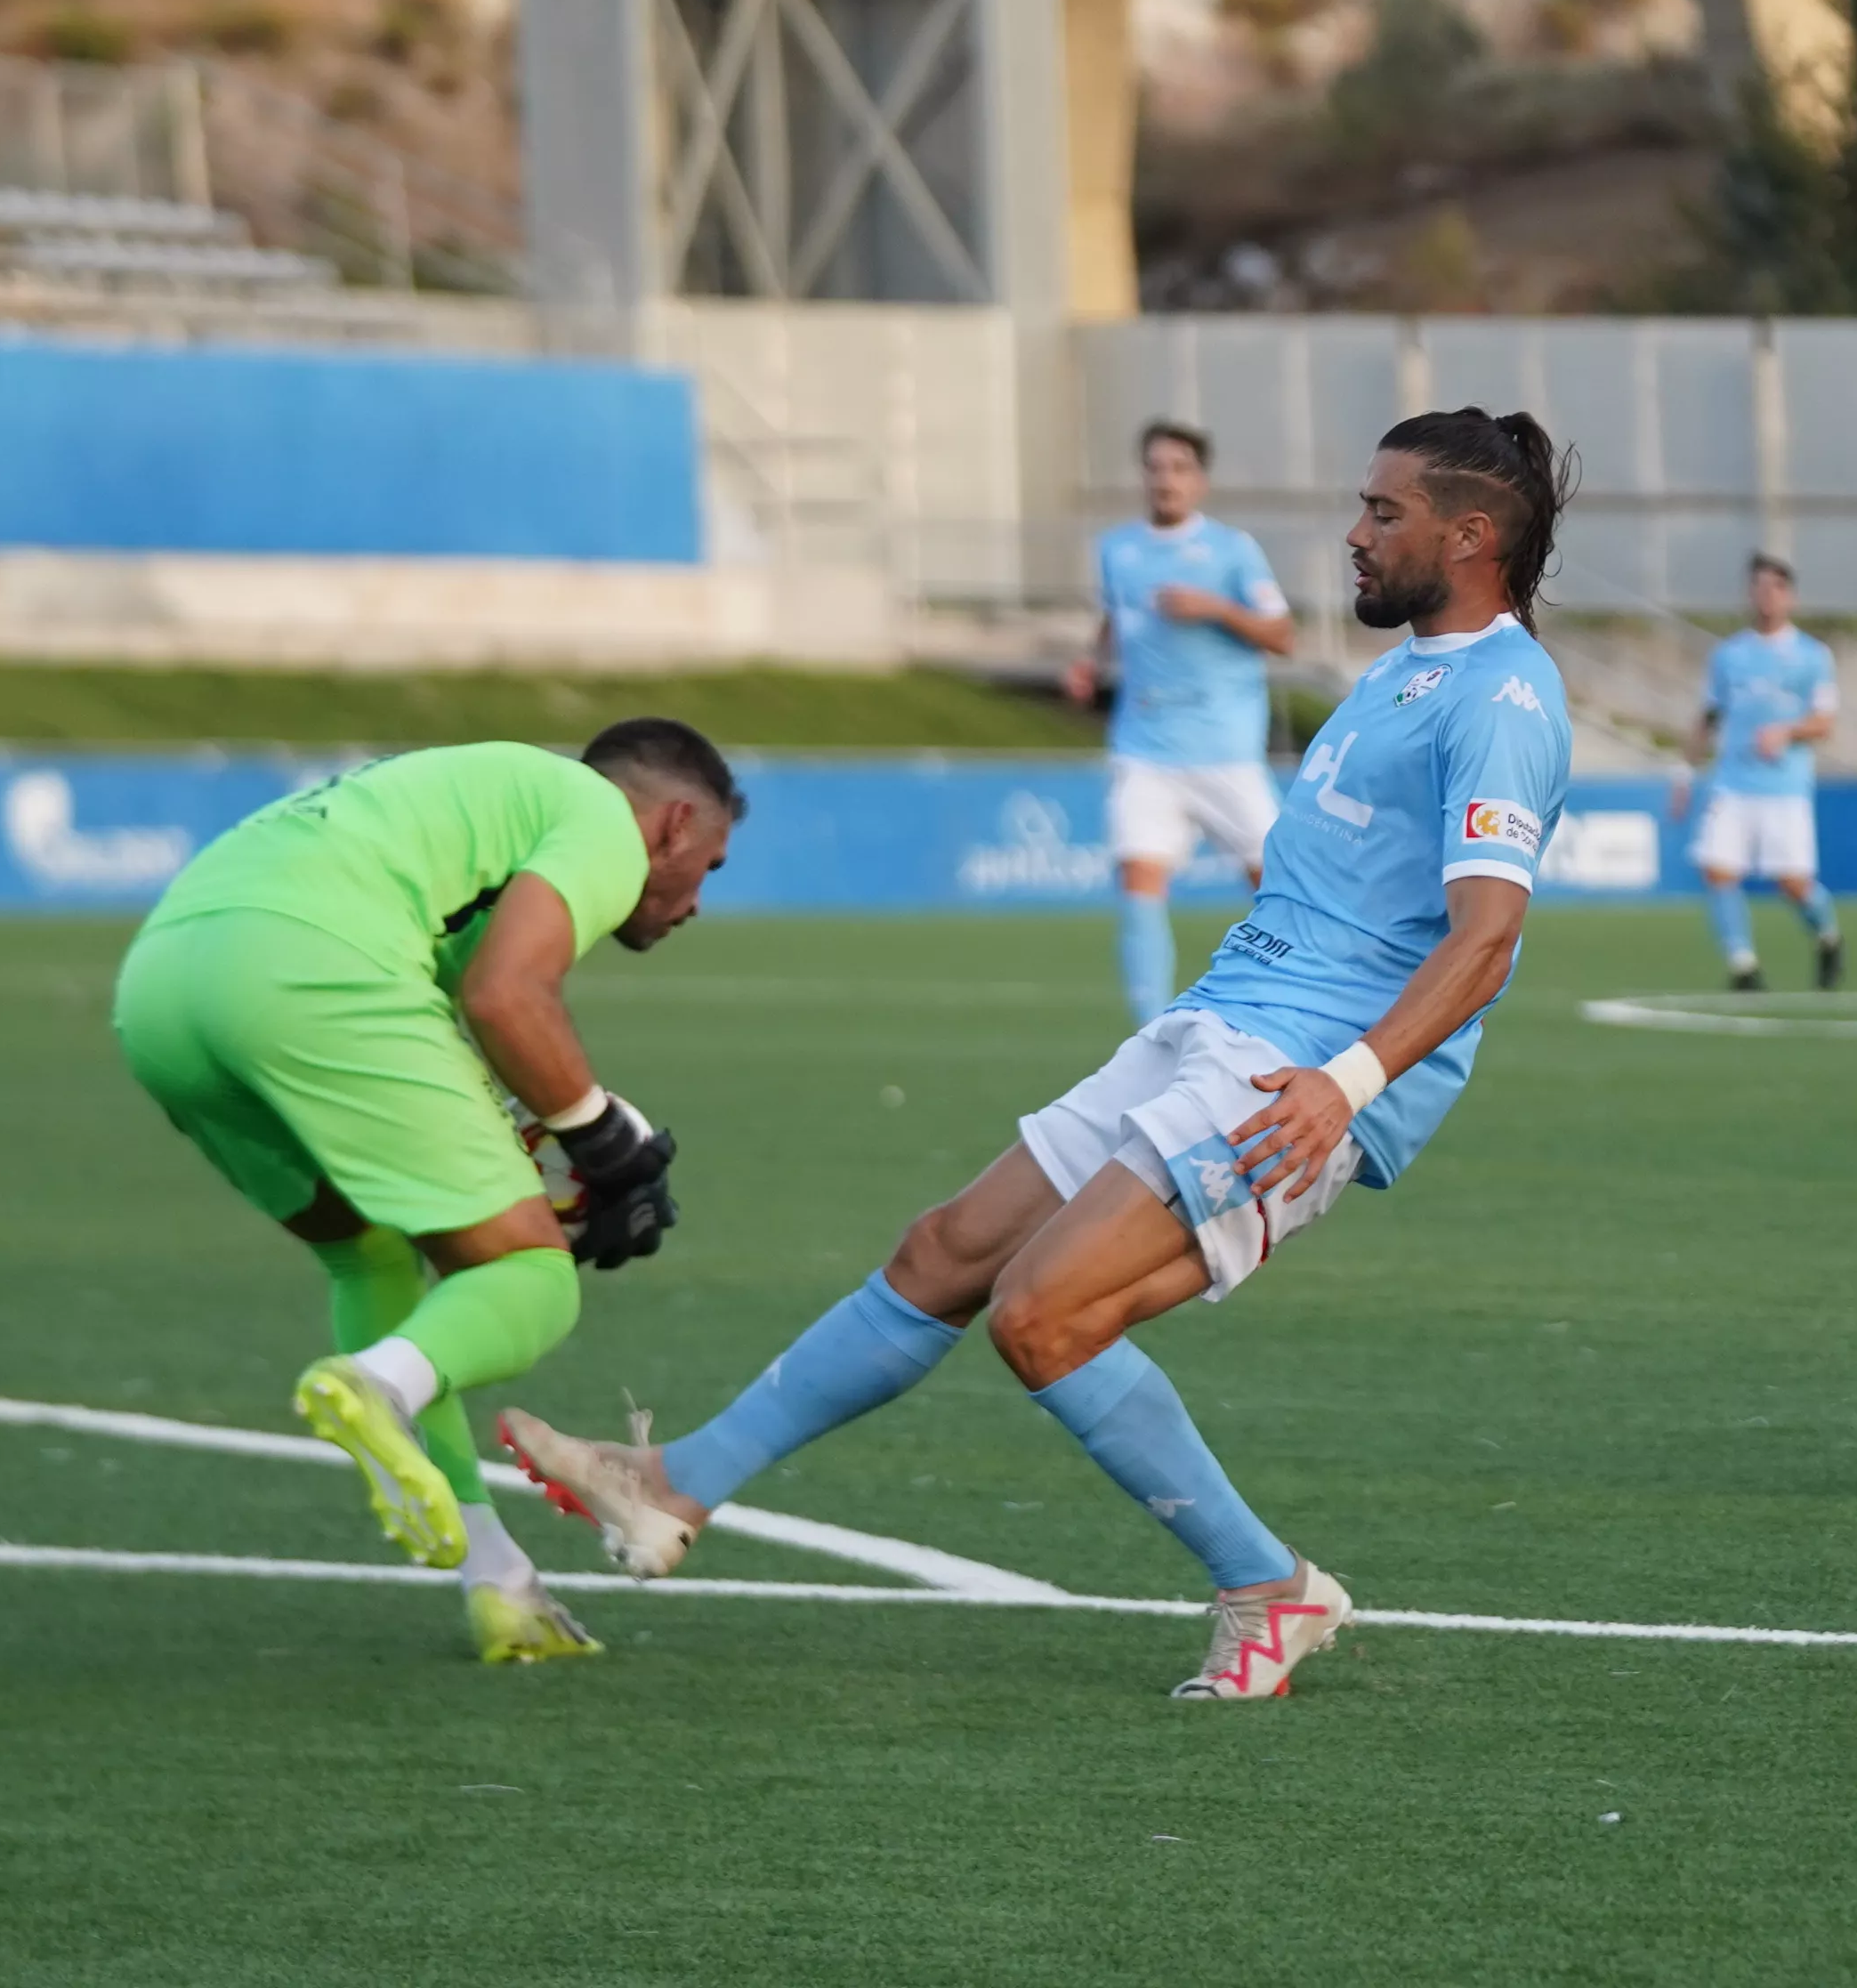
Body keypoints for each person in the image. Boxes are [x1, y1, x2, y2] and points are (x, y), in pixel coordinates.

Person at [503, 409, 1576, 1701]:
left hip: (1304, 1070)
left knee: (1041, 1314)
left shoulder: (1506, 697)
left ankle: (1268, 1588)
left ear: (1471, 536)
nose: (1354, 534)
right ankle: (673, 1486)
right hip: (1223, 1020)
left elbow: (1489, 938)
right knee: (942, 1252)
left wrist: (1346, 1089)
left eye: (1384, 513)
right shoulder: (1405, 671)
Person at [109, 723, 740, 1661]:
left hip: (161, 988)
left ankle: (497, 1578)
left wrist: (559, 1134)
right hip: (310, 965)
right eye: (711, 864)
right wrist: (609, 1146)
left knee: (363, 1247)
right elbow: (504, 996)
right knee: (531, 1276)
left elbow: (457, 1016)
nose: (698, 899)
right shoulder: (605, 821)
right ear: (675, 822)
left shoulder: (474, 802)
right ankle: (375, 1383)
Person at [1066, 421, 1297, 1024]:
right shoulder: (1116, 549)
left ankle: (1302, 1005)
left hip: (1225, 751)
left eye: (1178, 468)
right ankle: (1151, 1030)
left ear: (1199, 480)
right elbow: (1115, 620)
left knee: (1281, 888)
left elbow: (1283, 635)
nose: (1165, 479)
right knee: (1139, 885)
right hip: (1144, 750)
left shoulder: (1231, 550)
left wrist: (1215, 607)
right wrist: (1092, 664)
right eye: (1156, 467)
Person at [1672, 554, 1845, 990]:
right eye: (1759, 587)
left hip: (1785, 787)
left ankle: (1827, 935)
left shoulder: (1811, 656)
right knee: (1718, 869)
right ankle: (1743, 965)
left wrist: (1786, 732)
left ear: (1791, 596)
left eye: (1776, 588)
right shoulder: (1729, 656)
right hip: (1733, 782)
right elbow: (1708, 718)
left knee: (1793, 883)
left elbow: (1825, 722)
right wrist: (1684, 774)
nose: (1767, 596)